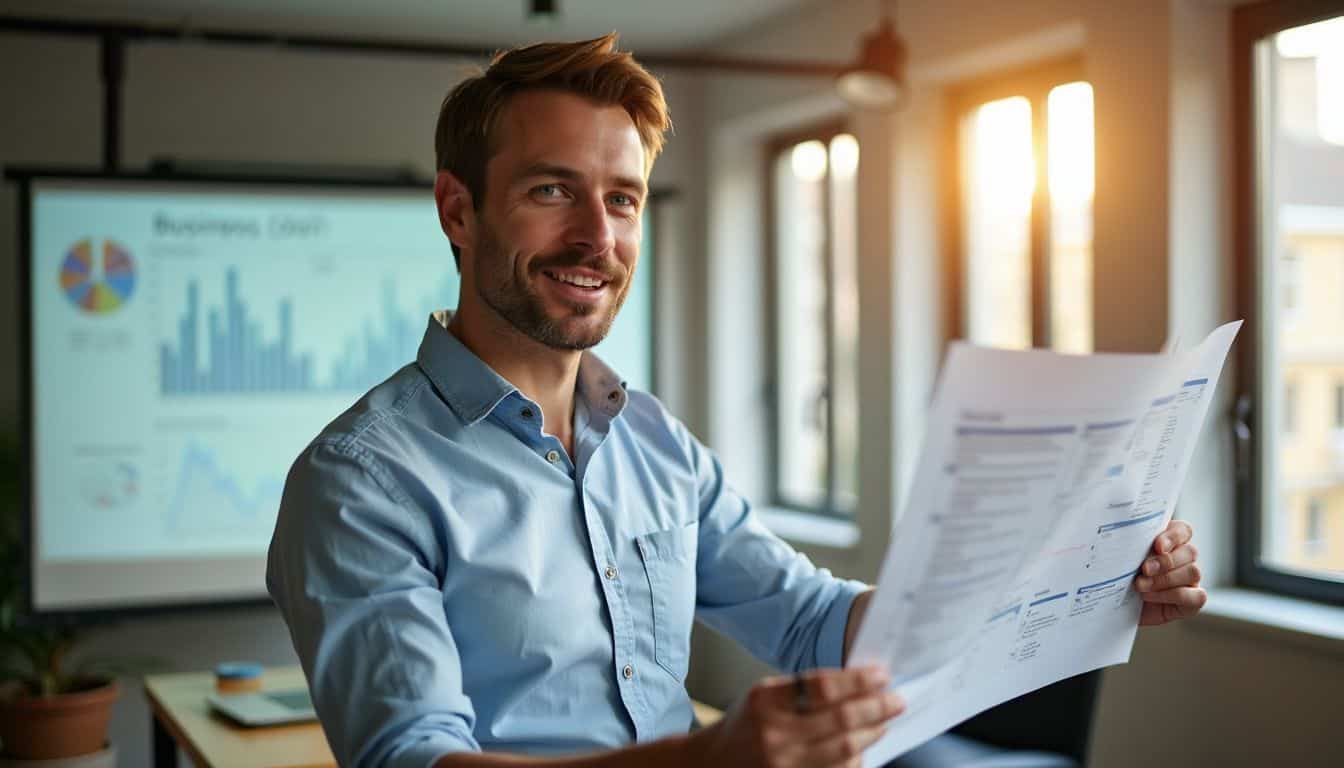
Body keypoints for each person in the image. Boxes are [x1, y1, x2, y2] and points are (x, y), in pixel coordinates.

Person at [266, 34, 1207, 768]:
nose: (598, 235)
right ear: (459, 211)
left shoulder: (651, 442)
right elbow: (411, 760)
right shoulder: (362, 481)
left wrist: (1080, 577)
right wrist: (706, 760)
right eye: (553, 190)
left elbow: (813, 622)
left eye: (624, 199)